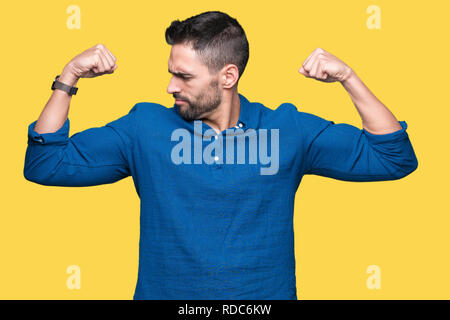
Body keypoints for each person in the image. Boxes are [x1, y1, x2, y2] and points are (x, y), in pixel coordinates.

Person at [24, 11, 418, 299]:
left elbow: (393, 158)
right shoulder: (144, 127)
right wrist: (68, 77)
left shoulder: (287, 128)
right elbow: (46, 164)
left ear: (227, 77)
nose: (169, 86)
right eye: (171, 72)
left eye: (184, 76)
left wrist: (349, 78)